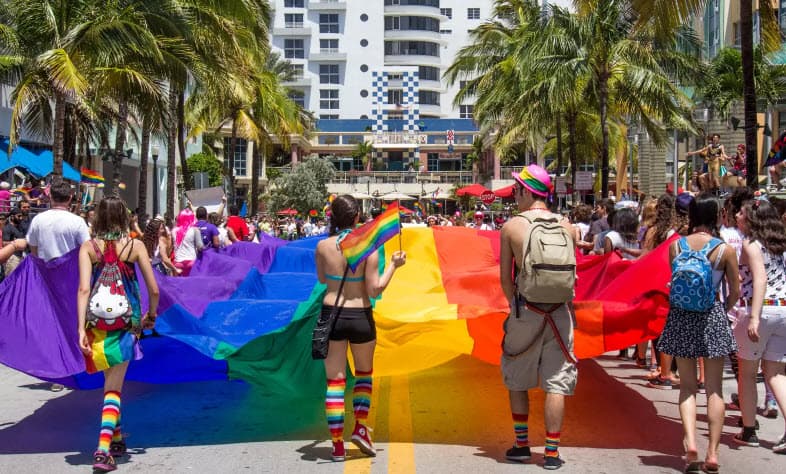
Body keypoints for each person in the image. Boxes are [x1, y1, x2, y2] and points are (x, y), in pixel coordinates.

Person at [315, 195, 406, 462]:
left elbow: (322, 279)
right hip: (360, 315)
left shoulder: (322, 246)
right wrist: (394, 266)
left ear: (333, 216)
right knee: (364, 374)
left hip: (331, 314)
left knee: (335, 381)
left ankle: (337, 447)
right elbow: (375, 288)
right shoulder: (368, 247)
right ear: (357, 218)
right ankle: (360, 429)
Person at [499, 165, 577, 470]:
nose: (514, 195)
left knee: (517, 375)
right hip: (560, 313)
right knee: (556, 382)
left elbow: (506, 278)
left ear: (526, 191)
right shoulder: (567, 226)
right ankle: (552, 452)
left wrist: (514, 305)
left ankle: (521, 445)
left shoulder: (512, 227)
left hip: (526, 310)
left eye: (516, 190)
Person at [656, 193, 739, 473]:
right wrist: (722, 307)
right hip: (712, 315)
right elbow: (735, 292)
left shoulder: (676, 246)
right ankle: (712, 453)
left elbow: (676, 286)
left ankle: (690, 443)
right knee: (714, 389)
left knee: (687, 387)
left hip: (681, 317)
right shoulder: (724, 250)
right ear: (716, 217)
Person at [77, 196, 159, 472]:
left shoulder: (88, 248)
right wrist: (151, 316)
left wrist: (80, 328)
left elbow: (83, 290)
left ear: (97, 217)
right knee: (114, 387)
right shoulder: (134, 246)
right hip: (126, 324)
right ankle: (102, 451)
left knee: (110, 381)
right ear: (124, 217)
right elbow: (154, 289)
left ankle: (117, 437)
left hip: (96, 325)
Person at [732, 199, 786, 453]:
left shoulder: (751, 244)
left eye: (741, 213)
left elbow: (760, 278)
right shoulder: (781, 245)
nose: (737, 216)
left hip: (760, 309)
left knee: (747, 373)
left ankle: (749, 429)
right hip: (783, 309)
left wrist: (754, 316)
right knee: (775, 374)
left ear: (752, 219)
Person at [26, 179, 90, 262]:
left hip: (44, 270)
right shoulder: (78, 221)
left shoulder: (38, 219)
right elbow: (86, 247)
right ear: (70, 197)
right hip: (69, 271)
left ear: (50, 196)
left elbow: (33, 247)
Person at [172, 208, 203, 276]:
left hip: (178, 262)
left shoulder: (174, 230)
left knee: (179, 283)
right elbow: (200, 246)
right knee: (191, 283)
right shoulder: (195, 230)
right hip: (191, 261)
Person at [2, 207, 27, 276]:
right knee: (11, 280)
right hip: (12, 257)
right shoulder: (7, 228)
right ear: (12, 217)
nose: (21, 218)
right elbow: (4, 243)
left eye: (21, 216)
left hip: (20, 256)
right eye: (19, 216)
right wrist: (16, 242)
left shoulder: (19, 227)